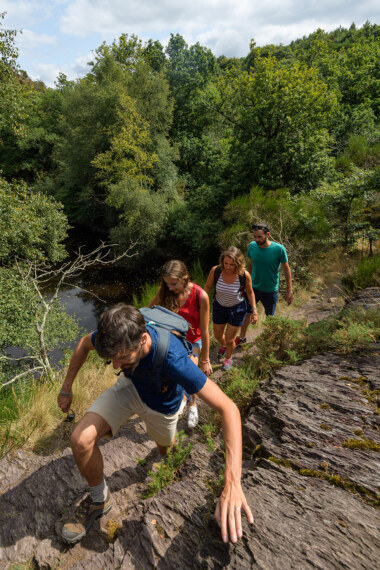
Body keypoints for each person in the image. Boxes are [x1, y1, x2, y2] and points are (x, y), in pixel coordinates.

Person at [57, 304, 253, 544]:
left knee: (163, 447)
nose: (116, 365)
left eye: (122, 357)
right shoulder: (115, 335)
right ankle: (100, 499)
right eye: (112, 359)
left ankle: (164, 446)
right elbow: (83, 344)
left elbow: (229, 409)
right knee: (80, 439)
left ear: (143, 339)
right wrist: (66, 388)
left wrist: (232, 483)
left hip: (163, 406)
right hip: (130, 389)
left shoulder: (174, 359)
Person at [148, 260, 213, 429]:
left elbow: (205, 331)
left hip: (193, 341)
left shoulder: (201, 296)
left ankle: (192, 405)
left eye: (174, 284)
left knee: (189, 373)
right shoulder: (164, 292)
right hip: (171, 340)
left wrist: (205, 359)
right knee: (169, 375)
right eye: (167, 284)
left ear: (185, 278)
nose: (170, 288)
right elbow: (148, 312)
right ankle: (179, 401)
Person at [237, 221, 294, 344]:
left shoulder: (279, 249)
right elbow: (251, 265)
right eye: (255, 236)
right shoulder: (252, 246)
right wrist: (246, 283)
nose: (256, 239)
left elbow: (287, 270)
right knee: (246, 313)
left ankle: (269, 342)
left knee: (270, 317)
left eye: (260, 237)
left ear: (267, 234)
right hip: (253, 288)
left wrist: (289, 290)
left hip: (270, 289)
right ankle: (241, 339)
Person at [204, 247, 257, 371]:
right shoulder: (216, 271)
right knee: (217, 335)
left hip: (237, 308)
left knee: (230, 339)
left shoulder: (244, 275)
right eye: (225, 263)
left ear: (237, 264)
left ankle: (229, 357)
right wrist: (202, 302)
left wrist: (254, 310)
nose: (227, 267)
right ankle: (224, 345)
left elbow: (249, 292)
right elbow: (207, 287)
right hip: (219, 307)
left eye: (231, 265)